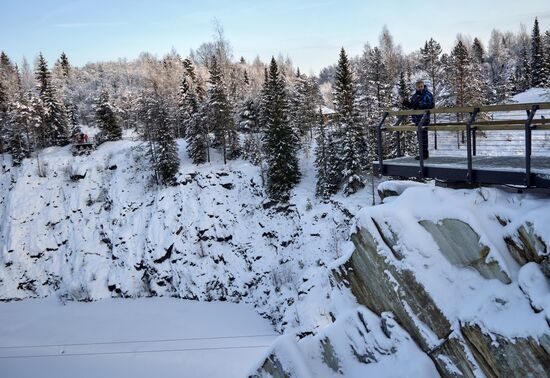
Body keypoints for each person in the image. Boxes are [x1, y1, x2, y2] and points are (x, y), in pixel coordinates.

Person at [402, 80, 434, 159]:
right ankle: (422, 154)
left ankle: (424, 155)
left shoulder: (427, 94)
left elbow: (431, 105)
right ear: (416, 87)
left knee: (423, 137)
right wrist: (405, 103)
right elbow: (412, 106)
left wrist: (420, 104)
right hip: (416, 119)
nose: (420, 88)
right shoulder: (414, 96)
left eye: (421, 86)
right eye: (419, 87)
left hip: (424, 118)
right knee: (419, 137)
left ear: (424, 86)